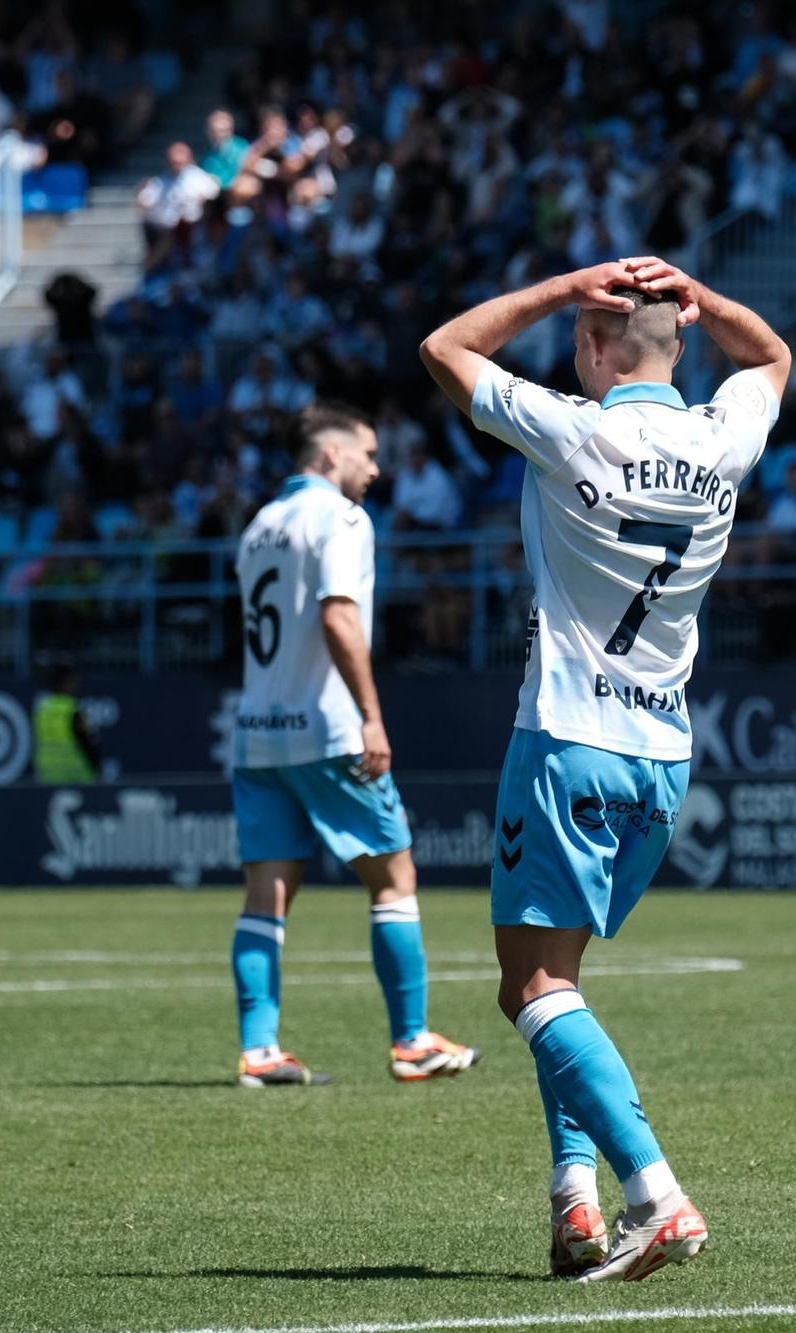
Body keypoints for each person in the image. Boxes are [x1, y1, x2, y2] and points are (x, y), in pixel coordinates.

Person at [420, 256, 789, 1282]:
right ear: (677, 346)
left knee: (529, 986)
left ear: (591, 347)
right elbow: (771, 355)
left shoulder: (571, 427)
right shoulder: (722, 438)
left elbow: (443, 348)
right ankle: (571, 1205)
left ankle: (653, 1193)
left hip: (567, 739)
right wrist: (703, 298)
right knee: (558, 984)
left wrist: (558, 285)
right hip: (661, 758)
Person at [226, 403, 479, 1090]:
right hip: (326, 729)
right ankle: (411, 1040)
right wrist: (371, 714)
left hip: (257, 733)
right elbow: (338, 613)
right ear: (331, 453)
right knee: (393, 879)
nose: (375, 467)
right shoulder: (339, 518)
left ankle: (259, 1048)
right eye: (367, 453)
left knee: (266, 895)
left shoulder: (259, 526)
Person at [31, 662, 103, 784]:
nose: (75, 684)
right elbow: (85, 741)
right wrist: (97, 768)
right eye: (73, 681)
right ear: (65, 682)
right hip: (74, 772)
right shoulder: (72, 709)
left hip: (47, 771)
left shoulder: (42, 709)